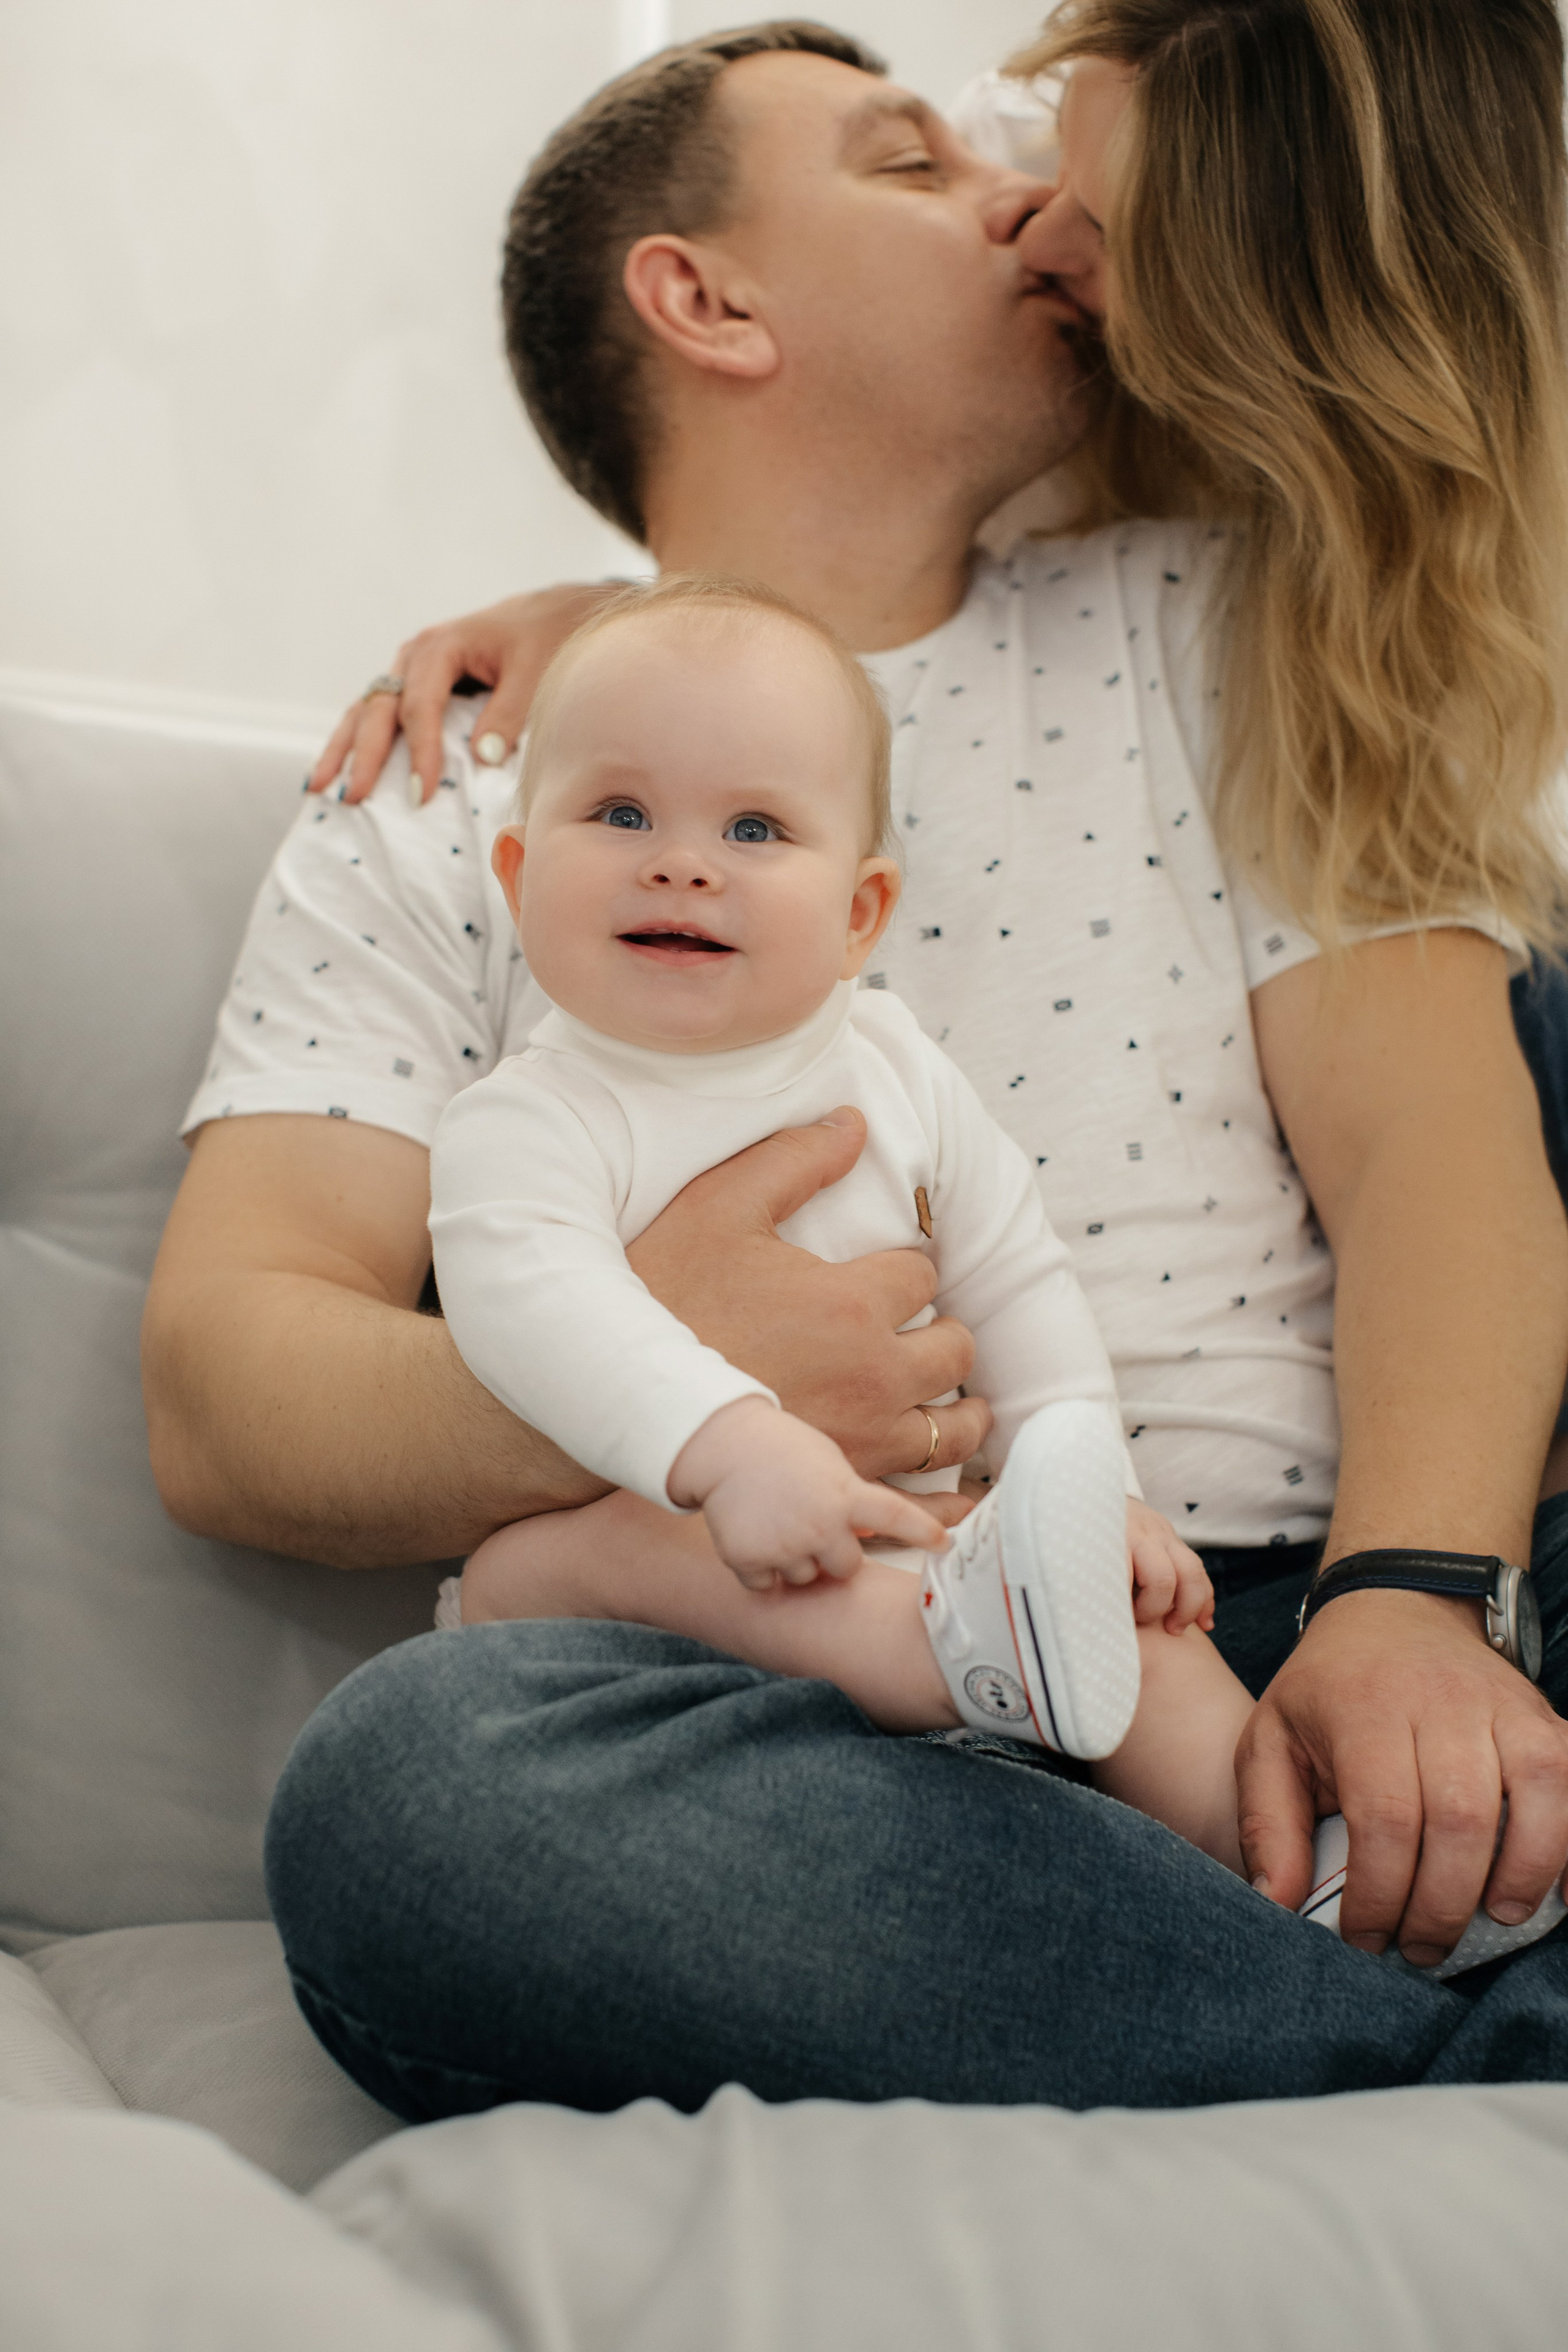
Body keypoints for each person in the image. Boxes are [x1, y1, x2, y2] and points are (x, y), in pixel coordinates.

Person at [141, 17, 1568, 2117]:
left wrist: (1413, 1605)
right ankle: (1453, 2049)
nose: (1028, 201)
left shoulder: (1225, 616)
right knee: (411, 1804)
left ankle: (1331, 1985)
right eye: (912, 165)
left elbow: (1435, 1144)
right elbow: (223, 1387)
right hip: (803, 1696)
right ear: (707, 299)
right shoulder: (459, 788)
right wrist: (672, 1375)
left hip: (1288, 1621)